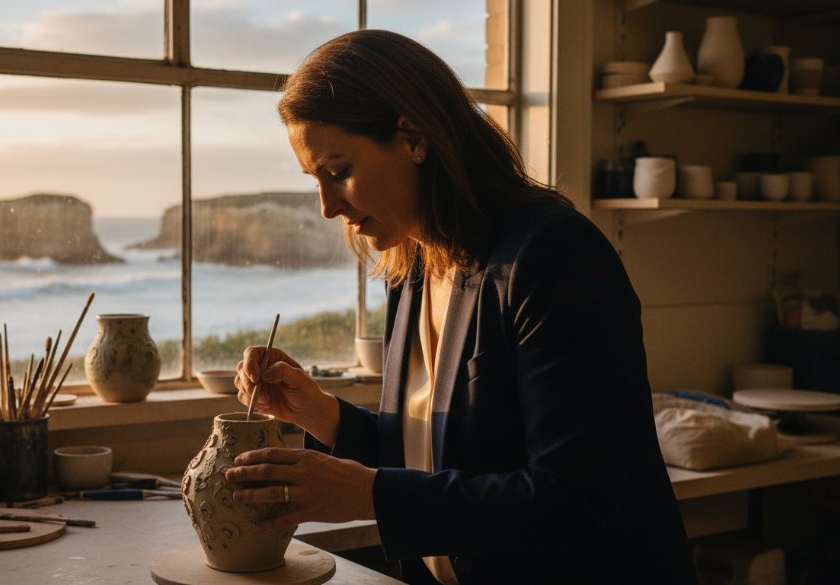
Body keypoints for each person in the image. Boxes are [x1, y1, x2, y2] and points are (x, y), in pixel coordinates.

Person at [226, 29, 698, 585]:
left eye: (338, 170)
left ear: (414, 138)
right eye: (314, 180)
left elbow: (575, 500)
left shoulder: (554, 257)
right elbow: (443, 452)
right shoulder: (415, 268)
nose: (328, 206)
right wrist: (322, 416)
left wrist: (368, 493)